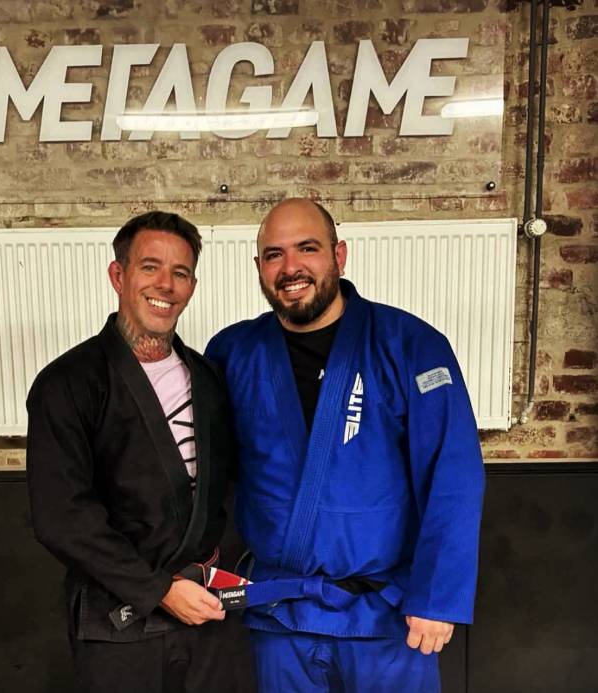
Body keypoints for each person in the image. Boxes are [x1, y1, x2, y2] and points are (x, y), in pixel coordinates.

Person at [205, 198, 485, 693]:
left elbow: (453, 473)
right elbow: (211, 473)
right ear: (258, 267)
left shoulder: (410, 344)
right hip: (280, 612)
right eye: (274, 254)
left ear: (339, 255)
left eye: (307, 248)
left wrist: (437, 597)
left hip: (387, 613)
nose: (290, 267)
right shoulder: (233, 351)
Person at [26, 211, 252, 693]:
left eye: (181, 272)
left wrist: (225, 576)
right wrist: (159, 590)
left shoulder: (209, 379)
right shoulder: (67, 383)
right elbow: (61, 516)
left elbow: (228, 489)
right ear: (118, 275)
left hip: (207, 614)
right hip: (119, 620)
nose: (165, 284)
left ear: (192, 286)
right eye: (150, 267)